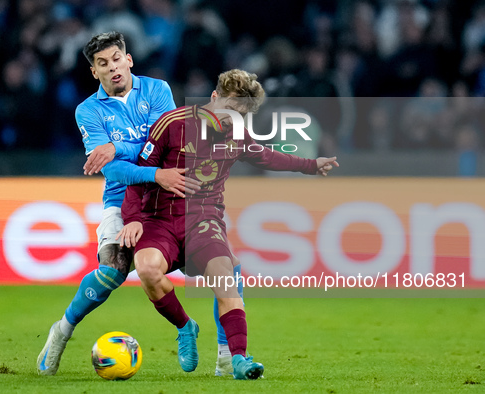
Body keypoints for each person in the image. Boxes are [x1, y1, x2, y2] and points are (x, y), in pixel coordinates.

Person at [117, 69, 338, 380]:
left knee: (226, 281)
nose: (234, 119)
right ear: (214, 97)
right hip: (160, 219)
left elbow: (268, 157)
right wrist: (134, 220)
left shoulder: (238, 135)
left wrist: (311, 165)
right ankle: (185, 326)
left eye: (241, 115)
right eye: (231, 110)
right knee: (147, 269)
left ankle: (238, 359)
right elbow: (139, 176)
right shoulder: (172, 123)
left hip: (204, 221)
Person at [37, 31, 226, 376]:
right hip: (120, 198)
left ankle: (227, 355)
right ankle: (61, 332)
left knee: (219, 268)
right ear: (94, 72)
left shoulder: (157, 90)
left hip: (170, 195)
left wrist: (117, 147)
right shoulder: (88, 111)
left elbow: (167, 144)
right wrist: (125, 161)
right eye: (102, 64)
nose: (112, 69)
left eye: (116, 59)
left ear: (129, 60)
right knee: (113, 269)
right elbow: (112, 169)